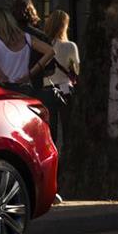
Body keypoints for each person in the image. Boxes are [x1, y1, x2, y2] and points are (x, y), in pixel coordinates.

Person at [0, 7, 55, 89]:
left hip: (0, 83)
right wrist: (31, 73)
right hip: (22, 84)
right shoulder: (27, 38)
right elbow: (50, 51)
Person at [42, 9, 80, 145]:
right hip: (65, 89)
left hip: (46, 89)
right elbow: (76, 70)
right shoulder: (70, 46)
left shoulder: (42, 45)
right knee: (68, 128)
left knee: (50, 130)